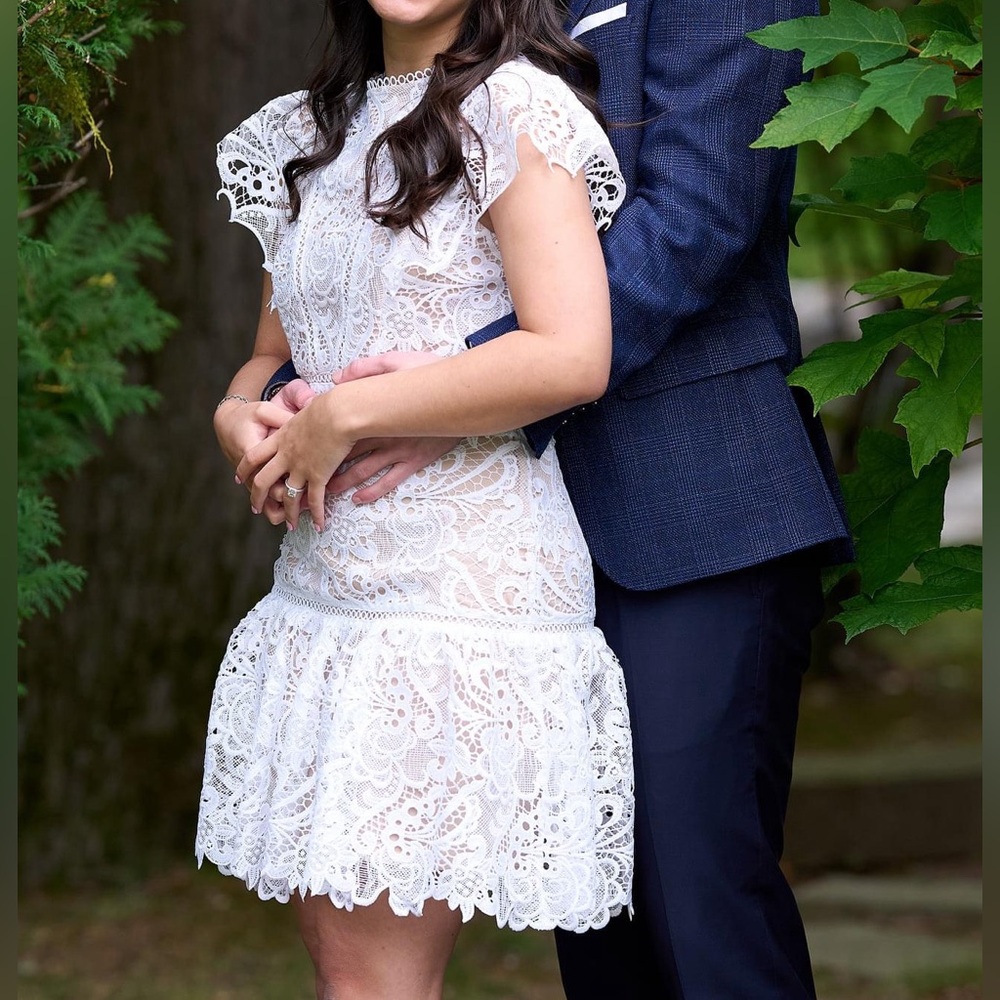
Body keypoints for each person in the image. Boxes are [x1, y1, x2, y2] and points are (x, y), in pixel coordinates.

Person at [241, 0, 857, 997]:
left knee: (695, 912)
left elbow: (698, 214)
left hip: (686, 499)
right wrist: (287, 403)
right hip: (504, 545)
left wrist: (446, 389)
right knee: (600, 929)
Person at [198, 1, 637, 998]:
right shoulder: (303, 132)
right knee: (349, 976)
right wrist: (240, 419)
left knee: (370, 985)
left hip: (452, 590)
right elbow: (273, 358)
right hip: (322, 591)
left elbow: (572, 351)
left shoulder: (515, 109)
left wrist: (350, 415)